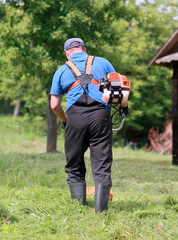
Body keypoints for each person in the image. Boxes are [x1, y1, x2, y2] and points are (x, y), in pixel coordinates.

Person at [50, 38, 127, 213]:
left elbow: (54, 105)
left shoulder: (62, 70)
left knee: (75, 164)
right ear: (84, 49)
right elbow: (119, 88)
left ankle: (79, 210)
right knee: (101, 163)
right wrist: (124, 107)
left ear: (67, 53)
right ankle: (101, 211)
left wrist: (66, 121)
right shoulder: (103, 62)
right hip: (100, 116)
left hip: (75, 118)